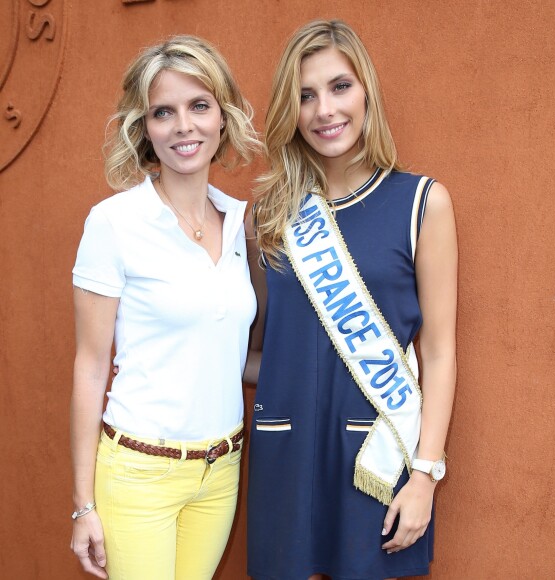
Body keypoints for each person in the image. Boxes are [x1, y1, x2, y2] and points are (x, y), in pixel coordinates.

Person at [246, 19, 457, 580]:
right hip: (285, 455)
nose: (324, 111)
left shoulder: (421, 202)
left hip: (378, 458)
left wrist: (426, 476)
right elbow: (252, 345)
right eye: (305, 95)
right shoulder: (266, 218)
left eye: (340, 87)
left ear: (367, 92)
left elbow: (437, 352)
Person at [70, 35, 260, 579]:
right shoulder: (114, 224)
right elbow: (89, 364)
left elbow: (229, 352)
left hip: (220, 471)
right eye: (163, 112)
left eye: (199, 106)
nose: (184, 126)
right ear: (144, 128)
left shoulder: (241, 223)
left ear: (222, 117)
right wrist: (84, 504)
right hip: (139, 473)